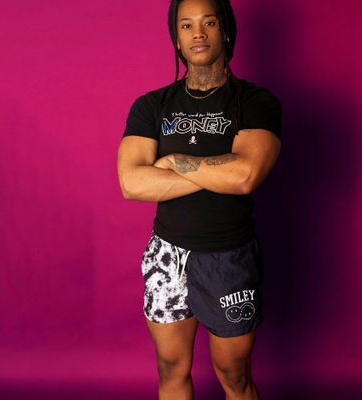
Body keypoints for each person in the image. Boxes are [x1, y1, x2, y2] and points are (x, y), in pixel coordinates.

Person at [117, 0, 281, 398]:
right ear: (176, 37)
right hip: (167, 255)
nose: (198, 33)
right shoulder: (152, 105)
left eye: (208, 22)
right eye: (187, 25)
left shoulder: (255, 102)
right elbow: (132, 183)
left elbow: (246, 176)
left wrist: (174, 162)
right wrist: (216, 172)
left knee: (234, 375)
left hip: (227, 256)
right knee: (171, 369)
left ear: (225, 30)